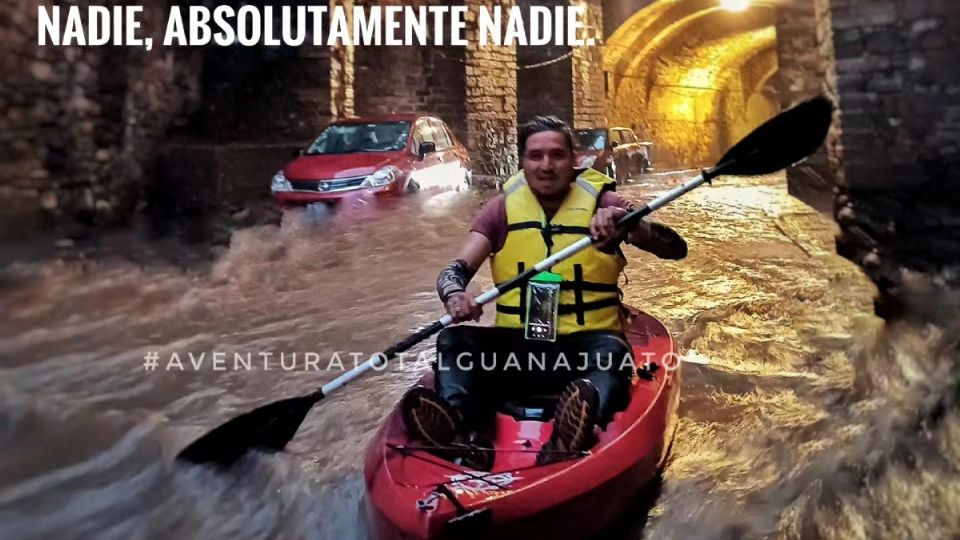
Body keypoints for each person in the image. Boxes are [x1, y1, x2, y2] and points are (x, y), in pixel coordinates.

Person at [401, 116, 687, 469]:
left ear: (573, 160)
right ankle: (458, 434)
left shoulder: (607, 203)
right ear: (522, 161)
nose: (546, 165)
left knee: (611, 351)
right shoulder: (501, 210)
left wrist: (630, 225)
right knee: (454, 342)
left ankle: (571, 433)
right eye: (536, 156)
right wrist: (456, 295)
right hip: (519, 353)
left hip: (584, 350)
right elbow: (453, 271)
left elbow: (675, 248)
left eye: (557, 155)